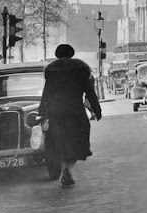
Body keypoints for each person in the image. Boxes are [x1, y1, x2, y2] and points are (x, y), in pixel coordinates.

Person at [38, 44, 102, 188]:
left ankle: (63, 167)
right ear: (72, 53)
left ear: (57, 54)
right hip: (75, 110)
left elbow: (47, 92)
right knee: (79, 137)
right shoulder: (81, 68)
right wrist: (96, 110)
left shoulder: (51, 69)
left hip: (56, 111)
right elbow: (89, 92)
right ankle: (69, 168)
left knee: (58, 140)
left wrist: (42, 111)